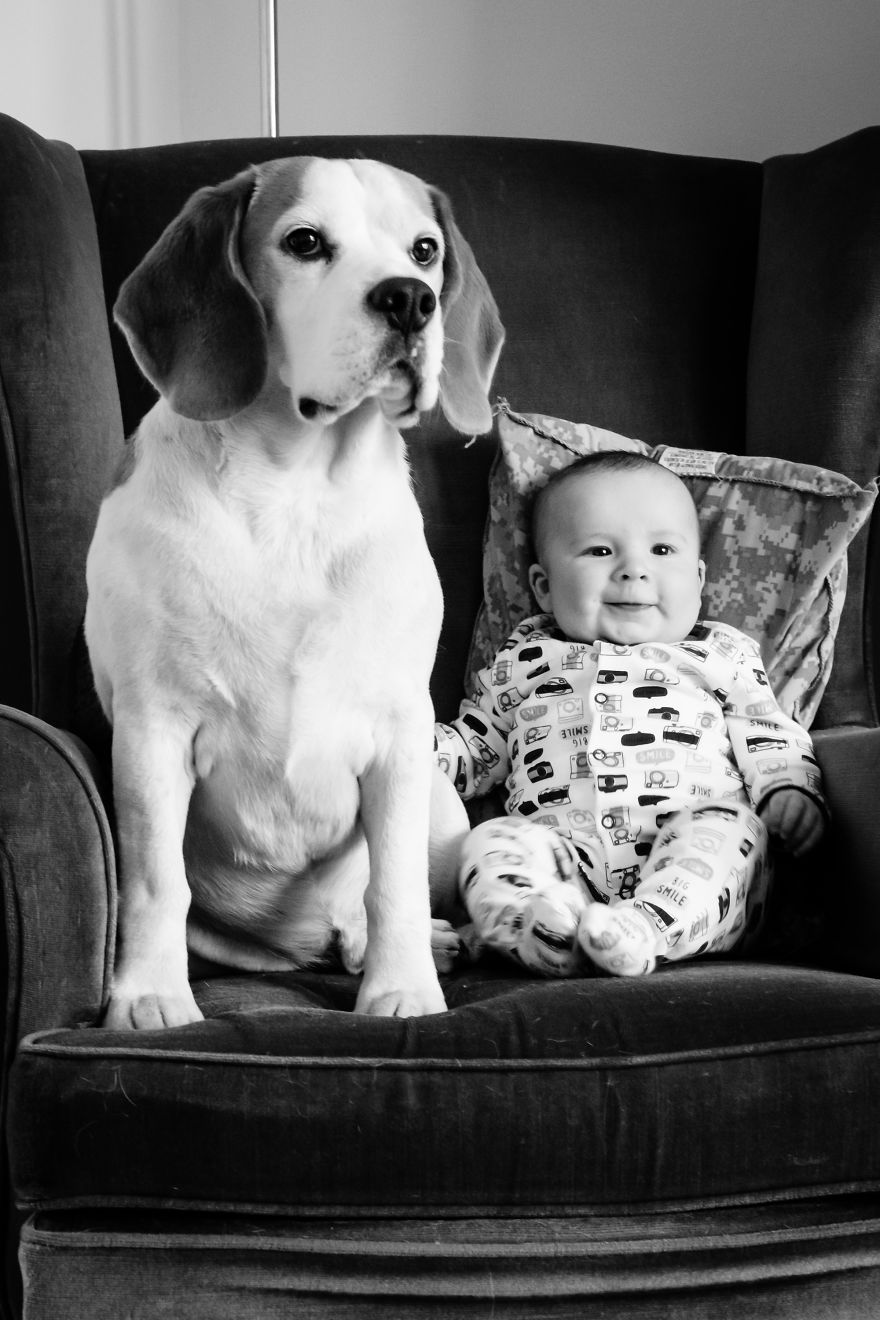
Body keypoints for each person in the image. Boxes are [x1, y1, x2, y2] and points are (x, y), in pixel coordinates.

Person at [435, 452, 827, 977]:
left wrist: (789, 791)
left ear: (699, 576)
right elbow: (473, 748)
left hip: (694, 857)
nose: (633, 568)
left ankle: (643, 930)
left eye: (662, 550)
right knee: (491, 841)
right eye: (600, 550)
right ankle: (544, 931)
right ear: (544, 587)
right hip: (565, 866)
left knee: (733, 830)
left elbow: (770, 733)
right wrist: (407, 745)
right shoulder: (523, 659)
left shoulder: (721, 653)